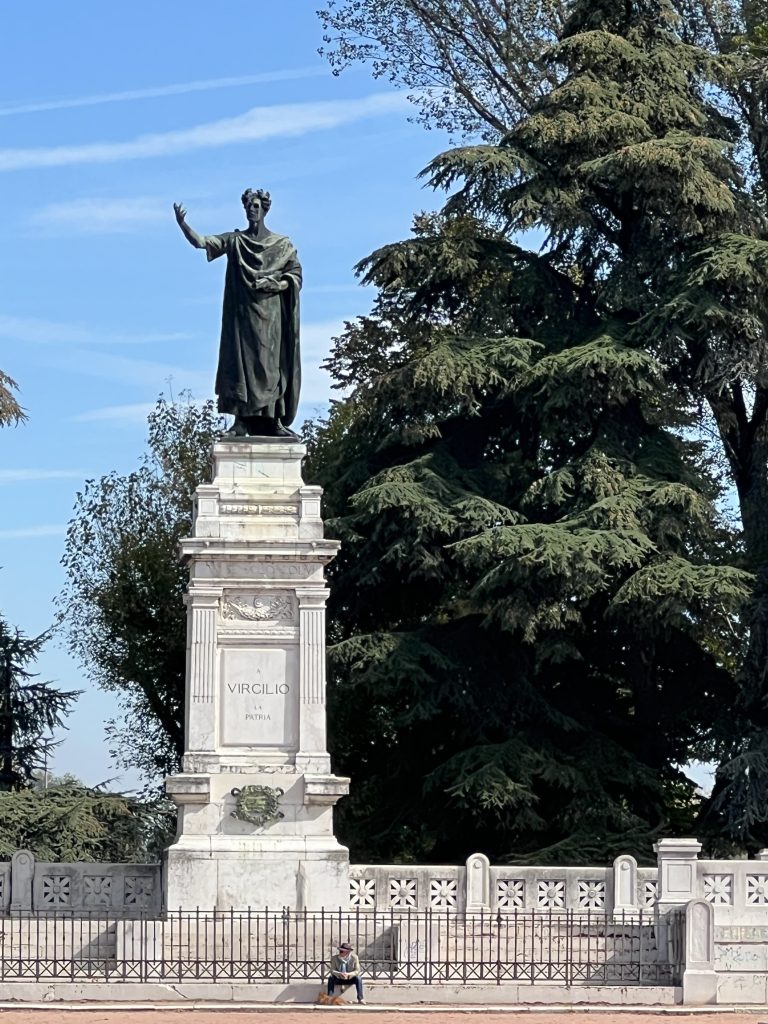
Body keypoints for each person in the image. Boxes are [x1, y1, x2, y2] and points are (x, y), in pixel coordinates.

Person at [173, 189, 302, 439]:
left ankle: (273, 419)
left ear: (264, 209)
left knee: (271, 366)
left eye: (256, 206)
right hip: (242, 318)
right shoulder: (236, 241)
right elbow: (202, 242)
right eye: (248, 206)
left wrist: (277, 285)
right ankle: (241, 420)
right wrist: (183, 224)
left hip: (272, 316)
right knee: (242, 364)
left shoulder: (282, 245)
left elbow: (295, 275)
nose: (252, 210)